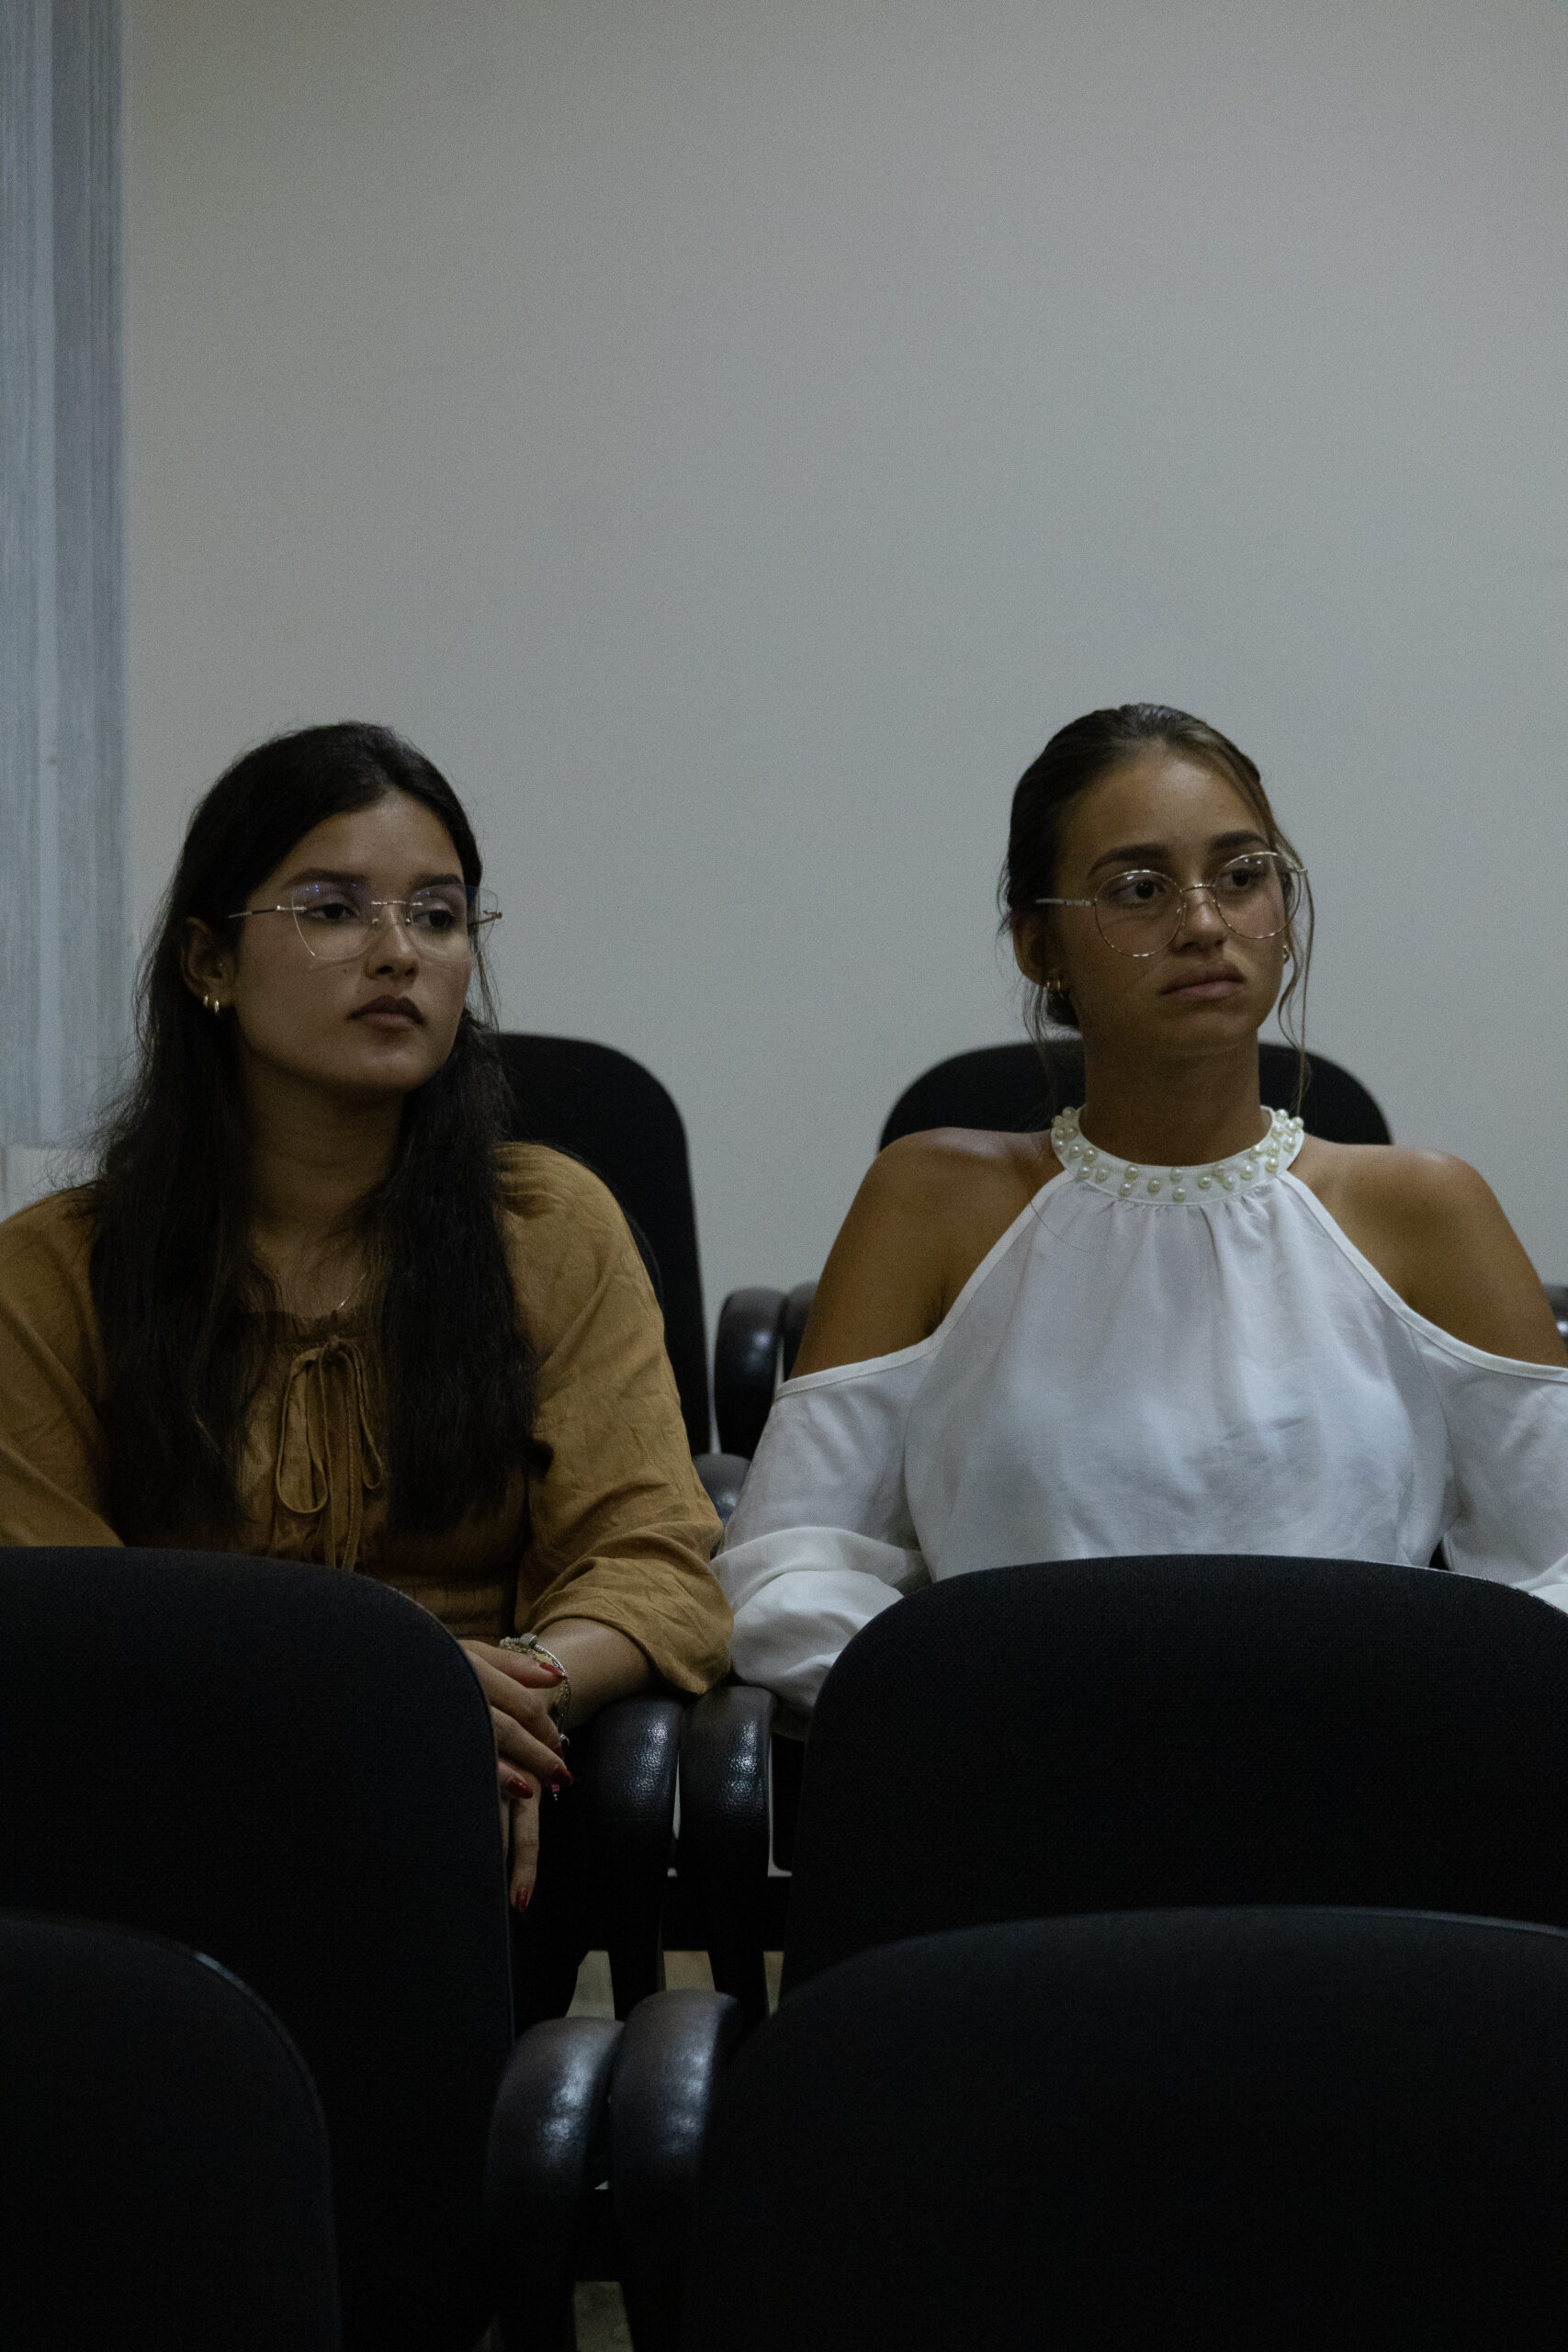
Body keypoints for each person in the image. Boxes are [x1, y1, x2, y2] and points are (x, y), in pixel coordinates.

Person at [0, 722, 729, 2004]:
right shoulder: (54, 1268)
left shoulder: (550, 1227)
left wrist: (509, 1697)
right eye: (334, 909)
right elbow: (62, 1613)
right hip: (165, 1781)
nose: (398, 952)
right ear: (208, 960)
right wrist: (385, 1696)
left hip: (469, 1789)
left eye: (438, 916)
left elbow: (653, 1563)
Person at [718, 702, 1568, 1723]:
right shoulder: (931, 1204)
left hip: (1357, 1780)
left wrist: (1419, 1720)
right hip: (1019, 1779)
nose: (1204, 924)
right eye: (1137, 889)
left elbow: (1558, 1564)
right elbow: (789, 1568)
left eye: (1242, 875)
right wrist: (981, 1721)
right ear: (1039, 946)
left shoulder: (1429, 1211)